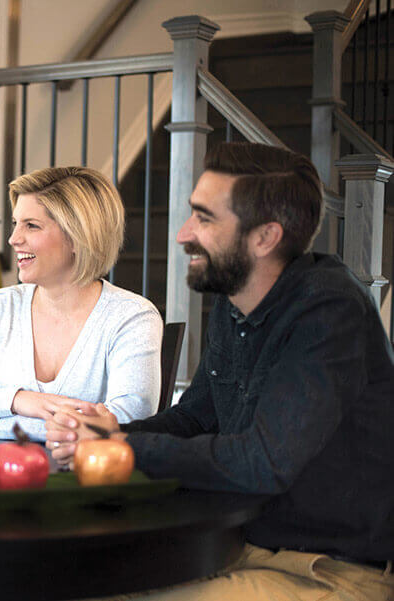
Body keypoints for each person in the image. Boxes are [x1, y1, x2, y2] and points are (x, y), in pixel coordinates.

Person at [47, 142, 394, 600]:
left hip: (330, 571)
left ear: (265, 237)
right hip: (236, 548)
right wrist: (107, 433)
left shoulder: (328, 312)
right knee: (65, 580)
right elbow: (194, 419)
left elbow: (263, 462)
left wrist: (124, 448)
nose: (183, 233)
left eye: (204, 218)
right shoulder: (234, 306)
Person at [0, 166, 162, 441]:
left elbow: (127, 422)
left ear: (78, 237)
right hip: (4, 478)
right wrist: (17, 400)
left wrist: (1, 428)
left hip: (88, 481)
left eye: (32, 225)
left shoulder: (132, 317)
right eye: (16, 223)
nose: (13, 239)